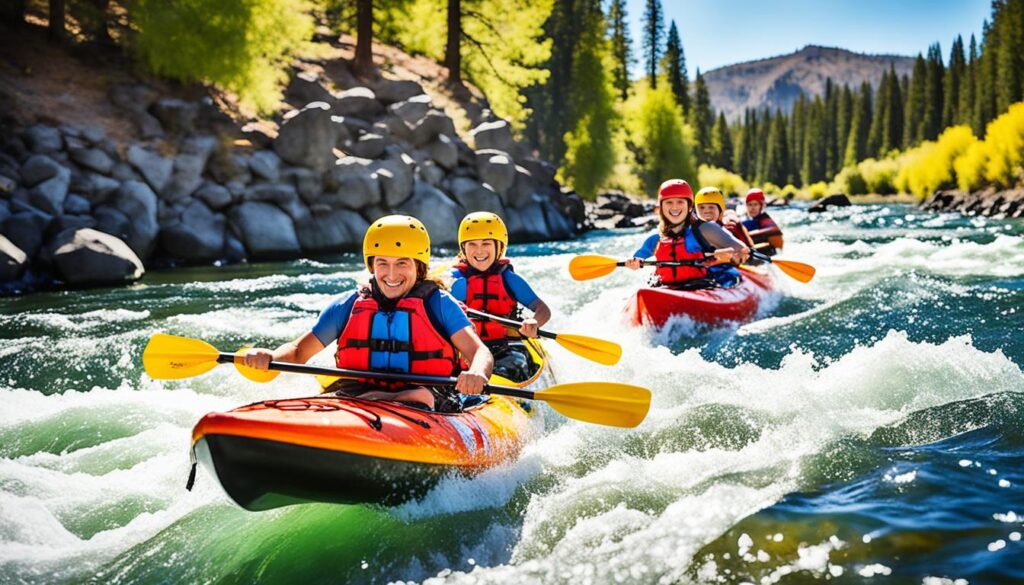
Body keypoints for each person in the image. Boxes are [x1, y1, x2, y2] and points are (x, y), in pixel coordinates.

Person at [242, 215, 493, 412]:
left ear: (419, 265)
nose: (391, 274)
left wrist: (478, 372)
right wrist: (271, 356)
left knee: (418, 396)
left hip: (424, 395)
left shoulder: (439, 303)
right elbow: (298, 352)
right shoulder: (349, 304)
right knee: (334, 397)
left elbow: (479, 352)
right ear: (371, 265)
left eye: (402, 263)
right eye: (383, 263)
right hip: (358, 393)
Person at [448, 212, 551, 383]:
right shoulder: (454, 280)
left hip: (506, 348)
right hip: (468, 349)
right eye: (472, 244)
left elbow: (543, 309)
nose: (479, 250)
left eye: (486, 243)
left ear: (499, 247)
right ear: (463, 248)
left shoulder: (509, 279)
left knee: (512, 368)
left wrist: (535, 323)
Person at [625, 179, 749, 288]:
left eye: (680, 202)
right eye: (669, 202)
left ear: (689, 206)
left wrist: (730, 256)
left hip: (701, 287)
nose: (675, 207)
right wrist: (634, 262)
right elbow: (641, 254)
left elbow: (742, 249)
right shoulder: (656, 238)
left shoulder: (706, 229)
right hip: (667, 288)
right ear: (661, 207)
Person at [741, 188, 784, 256]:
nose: (752, 208)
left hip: (767, 255)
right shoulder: (746, 220)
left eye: (755, 204)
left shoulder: (766, 220)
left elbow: (778, 242)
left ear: (761, 206)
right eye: (749, 204)